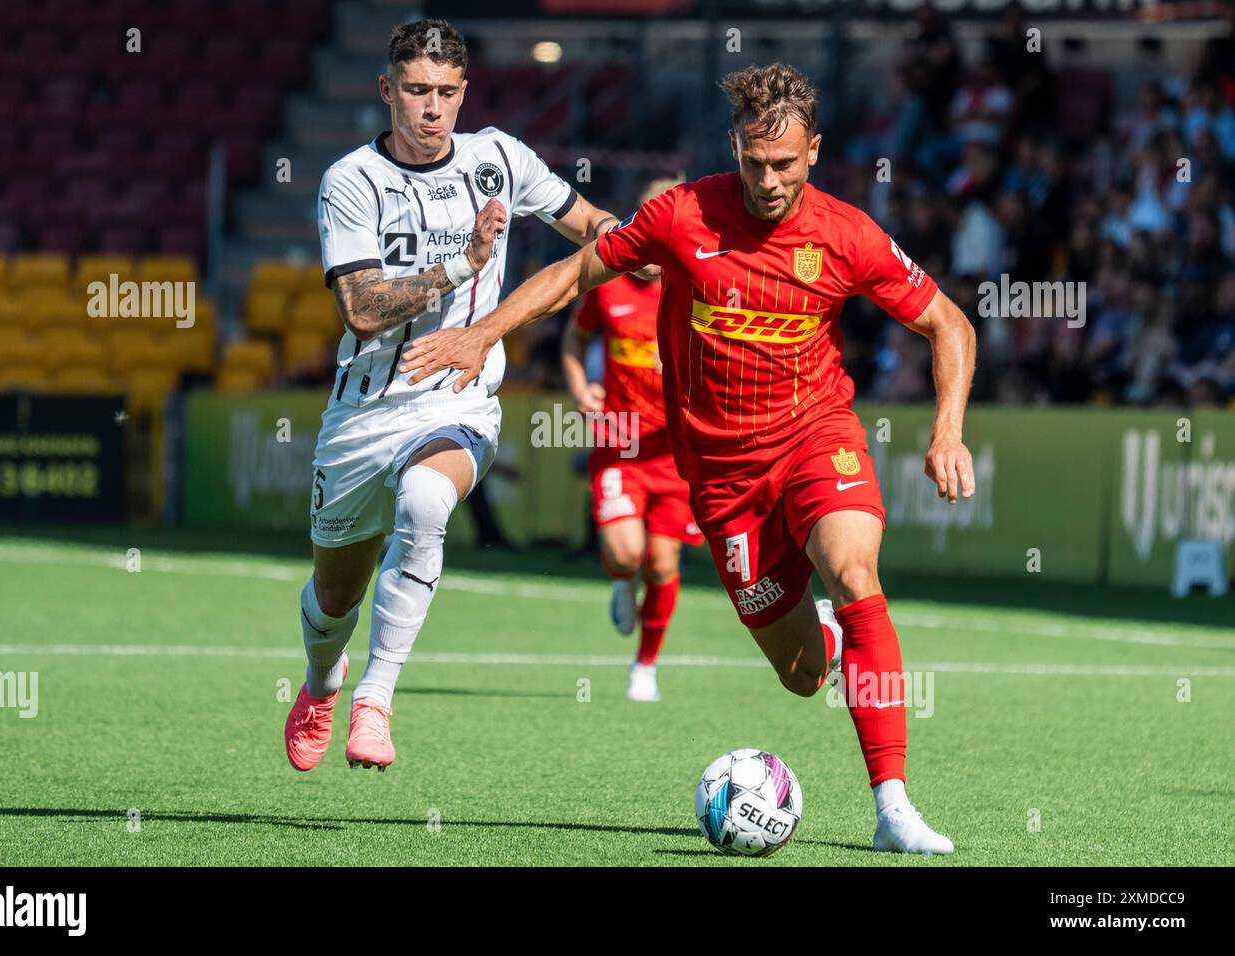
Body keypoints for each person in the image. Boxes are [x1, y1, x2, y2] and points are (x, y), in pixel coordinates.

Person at [398, 63, 976, 854]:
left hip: (817, 439)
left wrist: (947, 429)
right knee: (804, 675)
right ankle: (839, 651)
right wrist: (483, 331)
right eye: (753, 162)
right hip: (722, 481)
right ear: (734, 146)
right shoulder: (681, 215)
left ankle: (893, 807)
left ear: (816, 151)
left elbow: (950, 324)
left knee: (856, 575)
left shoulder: (848, 235)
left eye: (785, 164)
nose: (768, 181)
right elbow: (577, 270)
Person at [286, 19, 628, 772]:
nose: (432, 107)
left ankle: (375, 699)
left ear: (463, 92)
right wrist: (459, 266)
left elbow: (588, 224)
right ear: (387, 91)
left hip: (457, 400)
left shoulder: (498, 158)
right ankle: (321, 681)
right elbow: (362, 308)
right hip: (364, 410)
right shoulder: (351, 181)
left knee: (426, 504)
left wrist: (636, 248)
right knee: (332, 600)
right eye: (415, 91)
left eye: (445, 92)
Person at [561, 176, 709, 701]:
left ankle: (644, 666)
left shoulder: (697, 286)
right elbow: (574, 339)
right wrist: (581, 387)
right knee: (627, 555)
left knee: (663, 563)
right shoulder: (608, 283)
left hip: (676, 456)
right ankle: (622, 581)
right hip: (620, 445)